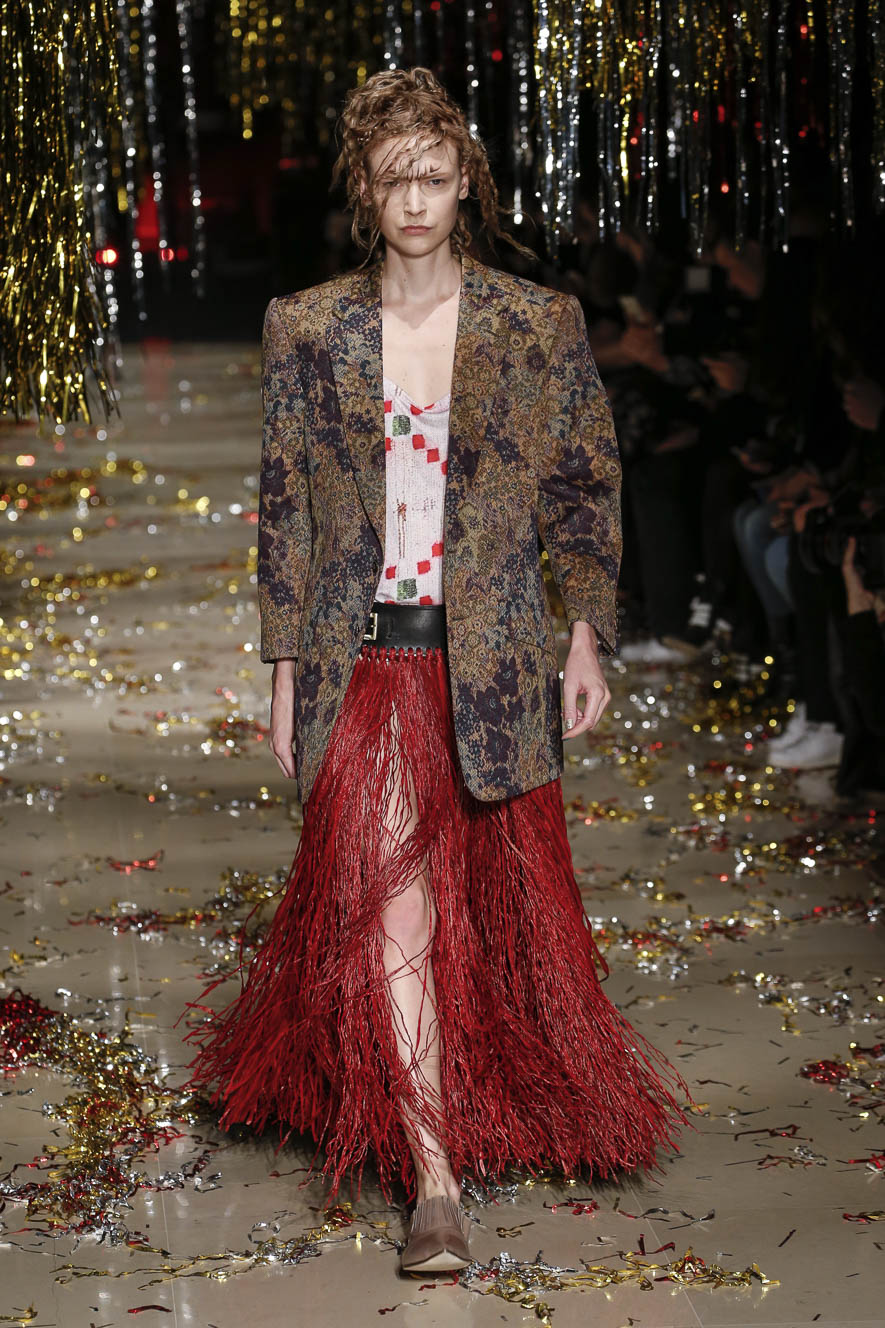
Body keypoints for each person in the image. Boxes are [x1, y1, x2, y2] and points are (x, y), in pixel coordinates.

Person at [176, 67, 690, 1277]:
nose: (416, 198)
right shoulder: (308, 326)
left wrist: (585, 632)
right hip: (364, 657)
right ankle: (437, 1181)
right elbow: (286, 505)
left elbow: (583, 483)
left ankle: (474, 1118)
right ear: (363, 187)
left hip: (493, 658)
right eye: (394, 176)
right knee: (398, 913)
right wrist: (283, 667)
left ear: (468, 183)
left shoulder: (535, 322)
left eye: (436, 175)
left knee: (486, 918)